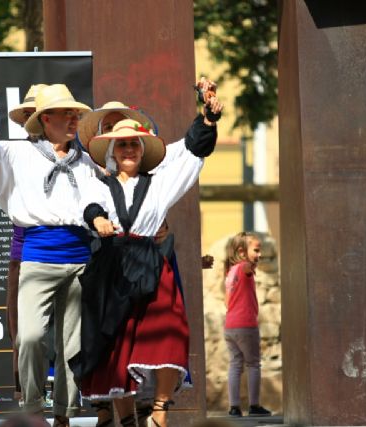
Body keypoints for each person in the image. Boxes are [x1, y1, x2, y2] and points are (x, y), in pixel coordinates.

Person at [0, 81, 99, 427]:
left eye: (76, 114)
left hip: (79, 258)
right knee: (28, 337)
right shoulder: (17, 153)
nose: (74, 120)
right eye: (66, 114)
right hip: (37, 256)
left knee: (72, 346)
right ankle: (32, 407)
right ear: (45, 119)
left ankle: (64, 414)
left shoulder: (87, 161)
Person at [73, 81, 222, 427]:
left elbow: (192, 151)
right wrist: (97, 219)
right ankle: (125, 419)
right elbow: (89, 205)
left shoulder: (159, 182)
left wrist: (208, 119)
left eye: (133, 144)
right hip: (112, 265)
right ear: (111, 150)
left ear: (142, 149)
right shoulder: (98, 182)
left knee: (172, 331)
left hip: (151, 264)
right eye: (122, 144)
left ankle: (159, 411)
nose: (128, 149)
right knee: (115, 345)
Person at [6, 83, 48, 404]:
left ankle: (63, 397)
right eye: (29, 115)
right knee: (20, 324)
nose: (32, 120)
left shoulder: (70, 153)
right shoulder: (19, 153)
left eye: (39, 113)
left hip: (66, 249)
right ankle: (26, 390)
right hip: (23, 247)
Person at [223, 232, 271, 418]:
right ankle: (254, 405)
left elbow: (227, 303)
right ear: (242, 251)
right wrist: (251, 263)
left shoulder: (230, 271)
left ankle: (234, 407)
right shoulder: (244, 267)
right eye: (256, 250)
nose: (259, 255)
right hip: (246, 325)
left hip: (230, 326)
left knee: (235, 364)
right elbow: (250, 266)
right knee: (253, 364)